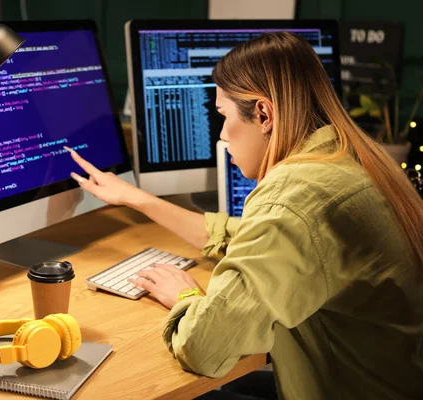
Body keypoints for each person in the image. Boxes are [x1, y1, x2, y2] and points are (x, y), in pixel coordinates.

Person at [65, 31, 423, 400]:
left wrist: (186, 296)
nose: (222, 135)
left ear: (264, 113)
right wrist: (136, 198)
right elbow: (251, 238)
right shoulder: (351, 157)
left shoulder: (294, 196)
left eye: (223, 115)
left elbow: (204, 347)